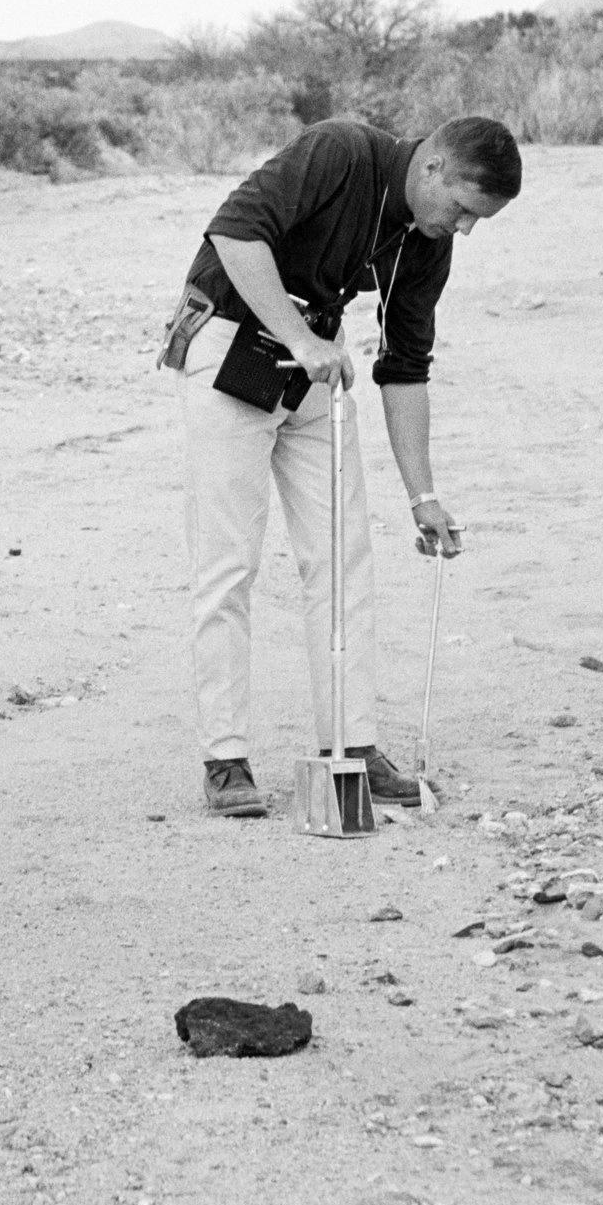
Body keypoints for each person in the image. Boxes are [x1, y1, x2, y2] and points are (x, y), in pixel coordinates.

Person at [162, 115, 519, 819]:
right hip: (228, 340)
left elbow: (405, 367)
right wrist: (297, 335)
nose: (464, 229)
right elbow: (234, 234)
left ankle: (351, 747)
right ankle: (224, 758)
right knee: (228, 561)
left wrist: (424, 496)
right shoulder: (339, 151)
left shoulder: (426, 244)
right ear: (432, 169)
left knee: (342, 558)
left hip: (315, 363)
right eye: (463, 210)